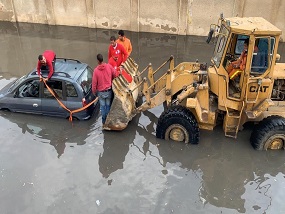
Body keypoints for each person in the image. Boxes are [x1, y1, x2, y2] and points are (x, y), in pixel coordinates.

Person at [92, 54, 118, 125]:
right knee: (108, 105)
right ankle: (108, 120)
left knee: (102, 107)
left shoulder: (96, 71)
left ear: (97, 61)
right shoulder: (109, 66)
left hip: (101, 93)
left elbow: (94, 84)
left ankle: (104, 122)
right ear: (102, 59)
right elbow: (115, 74)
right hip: (109, 91)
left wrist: (94, 92)